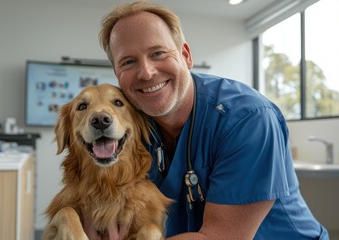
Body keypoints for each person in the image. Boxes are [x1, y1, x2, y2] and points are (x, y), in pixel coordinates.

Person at [87, 1, 330, 239]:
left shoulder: (249, 119)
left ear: (186, 55)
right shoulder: (127, 126)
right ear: (118, 74)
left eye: (158, 53)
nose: (146, 72)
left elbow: (220, 237)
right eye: (128, 62)